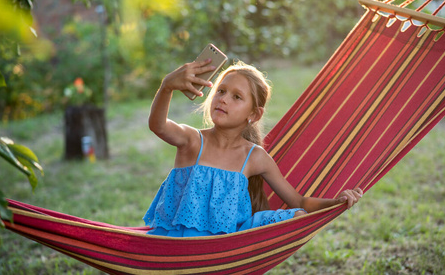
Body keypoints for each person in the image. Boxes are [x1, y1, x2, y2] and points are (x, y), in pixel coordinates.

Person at [143, 58, 363, 237]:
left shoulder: (255, 157)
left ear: (253, 114)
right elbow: (158, 126)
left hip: (231, 241)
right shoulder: (193, 140)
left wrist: (336, 203)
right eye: (221, 91)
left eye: (236, 97)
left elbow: (298, 201)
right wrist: (167, 86)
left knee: (296, 216)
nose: (223, 99)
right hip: (177, 242)